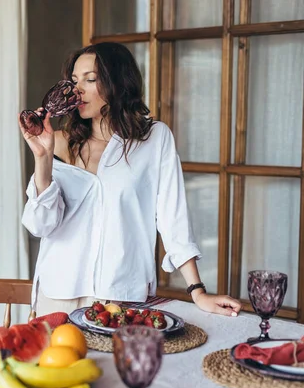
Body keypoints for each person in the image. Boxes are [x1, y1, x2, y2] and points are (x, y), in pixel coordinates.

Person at [19, 42, 242, 318]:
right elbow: (40, 225)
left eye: (91, 80)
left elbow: (173, 218)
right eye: (74, 81)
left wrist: (197, 291)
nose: (78, 91)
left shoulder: (154, 139)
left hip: (121, 296)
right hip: (59, 295)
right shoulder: (60, 143)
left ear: (118, 83)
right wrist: (42, 157)